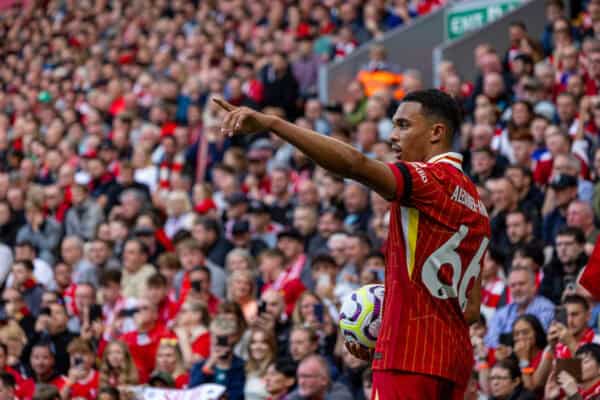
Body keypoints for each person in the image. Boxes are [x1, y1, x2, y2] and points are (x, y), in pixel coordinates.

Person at [214, 88, 490, 398]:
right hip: (454, 360)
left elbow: (355, 164)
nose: (394, 137)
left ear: (436, 132)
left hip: (410, 355)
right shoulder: (476, 204)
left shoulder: (430, 179)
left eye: (403, 125)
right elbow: (471, 309)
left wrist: (273, 124)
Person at [188, 315, 245, 400]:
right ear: (210, 337)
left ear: (234, 338)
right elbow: (193, 393)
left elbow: (237, 395)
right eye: (217, 337)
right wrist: (208, 366)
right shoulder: (200, 366)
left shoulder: (242, 367)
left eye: (224, 337)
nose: (220, 341)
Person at [286, 354, 353, 400]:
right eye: (299, 377)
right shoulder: (300, 394)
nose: (301, 382)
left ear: (323, 380)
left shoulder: (340, 393)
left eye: (306, 376)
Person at [244, 328, 277, 400]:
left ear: (271, 345)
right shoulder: (247, 369)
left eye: (263, 342)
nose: (258, 347)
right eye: (254, 342)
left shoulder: (275, 370)